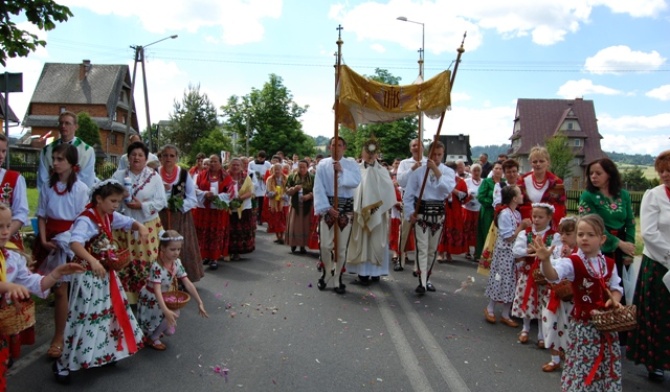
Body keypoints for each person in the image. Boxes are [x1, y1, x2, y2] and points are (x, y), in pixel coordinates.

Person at [55, 179, 150, 384]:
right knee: (83, 318)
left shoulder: (107, 215)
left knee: (107, 315)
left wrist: (140, 226)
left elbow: (125, 222)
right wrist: (92, 260)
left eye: (118, 201)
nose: (116, 205)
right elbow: (75, 243)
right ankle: (63, 362)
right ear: (99, 199)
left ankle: (103, 353)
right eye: (113, 201)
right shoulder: (87, 219)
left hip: (104, 275)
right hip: (88, 275)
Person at [0, 203, 86, 390]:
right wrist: (7, 286)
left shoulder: (12, 258)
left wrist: (56, 274)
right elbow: (8, 285)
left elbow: (34, 283)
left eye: (8, 225)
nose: (6, 232)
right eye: (0, 226)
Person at [534, 214, 623, 392]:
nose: (584, 238)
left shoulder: (609, 264)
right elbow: (553, 275)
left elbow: (616, 287)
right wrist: (545, 261)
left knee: (606, 366)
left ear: (602, 239)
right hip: (584, 328)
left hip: (606, 327)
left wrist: (614, 301)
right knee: (583, 368)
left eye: (591, 235)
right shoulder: (573, 262)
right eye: (581, 234)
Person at [33, 144, 88, 360]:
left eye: (60, 159)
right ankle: (59, 334)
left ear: (71, 163)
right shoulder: (47, 186)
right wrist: (45, 239)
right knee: (55, 289)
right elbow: (41, 215)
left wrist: (69, 241)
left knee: (63, 290)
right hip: (51, 242)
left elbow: (82, 220)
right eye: (53, 159)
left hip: (69, 242)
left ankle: (60, 336)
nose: (55, 163)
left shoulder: (80, 189)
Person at [578, 157, 635, 345]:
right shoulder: (588, 196)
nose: (593, 177)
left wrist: (628, 248)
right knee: (599, 289)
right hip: (599, 248)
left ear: (609, 174)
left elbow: (630, 222)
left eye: (598, 173)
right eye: (591, 173)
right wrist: (618, 243)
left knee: (618, 289)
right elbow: (591, 225)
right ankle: (597, 330)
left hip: (620, 249)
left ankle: (617, 329)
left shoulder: (623, 195)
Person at [626, 150, 670, 382]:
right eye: (661, 171)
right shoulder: (653, 195)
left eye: (669, 171)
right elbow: (650, 233)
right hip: (658, 264)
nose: (665, 175)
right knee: (658, 316)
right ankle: (655, 363)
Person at [112, 141, 167, 304]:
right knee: (125, 260)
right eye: (133, 154)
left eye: (140, 155)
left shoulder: (154, 177)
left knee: (148, 259)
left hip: (147, 225)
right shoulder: (118, 176)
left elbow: (161, 201)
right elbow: (109, 196)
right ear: (128, 157)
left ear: (145, 158)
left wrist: (141, 205)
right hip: (125, 225)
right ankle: (127, 297)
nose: (136, 157)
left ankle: (149, 294)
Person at [137, 230, 208, 351]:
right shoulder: (157, 266)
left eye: (178, 249)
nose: (176, 253)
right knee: (165, 317)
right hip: (152, 297)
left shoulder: (177, 263)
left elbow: (187, 282)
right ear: (163, 248)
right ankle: (153, 338)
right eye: (172, 249)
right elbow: (157, 290)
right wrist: (165, 310)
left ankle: (156, 332)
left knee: (170, 328)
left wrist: (199, 302)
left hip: (164, 295)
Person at [403, 141, 455, 294]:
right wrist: (409, 213)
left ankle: (428, 277)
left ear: (443, 154)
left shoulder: (447, 172)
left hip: (438, 214)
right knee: (422, 248)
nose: (437, 158)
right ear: (429, 154)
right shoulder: (419, 172)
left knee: (432, 250)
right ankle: (422, 281)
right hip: (422, 213)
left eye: (440, 155)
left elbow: (447, 189)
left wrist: (436, 171)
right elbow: (409, 194)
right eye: (434, 154)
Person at [313, 136, 361, 294]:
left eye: (339, 145)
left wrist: (341, 171)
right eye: (333, 145)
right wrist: (326, 207)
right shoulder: (323, 164)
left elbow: (355, 182)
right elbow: (318, 187)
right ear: (329, 147)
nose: (336, 148)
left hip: (344, 211)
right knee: (325, 245)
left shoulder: (351, 164)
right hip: (328, 209)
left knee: (341, 248)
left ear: (344, 148)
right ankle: (327, 271)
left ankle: (337, 277)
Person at [346, 140, 396, 284]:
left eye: (372, 153)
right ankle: (362, 273)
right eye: (366, 152)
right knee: (362, 242)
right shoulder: (357, 169)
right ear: (362, 153)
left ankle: (375, 273)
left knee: (375, 242)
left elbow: (388, 190)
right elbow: (353, 187)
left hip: (378, 213)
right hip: (360, 211)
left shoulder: (382, 170)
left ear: (376, 154)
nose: (369, 155)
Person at [484, 185, 530, 325]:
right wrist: (521, 227)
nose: (522, 196)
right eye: (519, 194)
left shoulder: (516, 213)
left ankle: (505, 313)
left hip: (513, 253)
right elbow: (508, 236)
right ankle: (490, 308)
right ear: (514, 198)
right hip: (504, 253)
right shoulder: (505, 213)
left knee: (512, 282)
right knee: (499, 279)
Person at [511, 203, 556, 346]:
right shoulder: (526, 233)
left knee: (543, 303)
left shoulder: (554, 236)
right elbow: (516, 251)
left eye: (540, 217)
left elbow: (557, 253)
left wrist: (547, 254)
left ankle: (541, 334)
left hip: (544, 276)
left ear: (549, 217)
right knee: (527, 300)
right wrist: (528, 251)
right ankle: (525, 328)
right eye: (534, 216)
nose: (536, 220)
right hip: (528, 273)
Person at [157, 144, 203, 282]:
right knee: (161, 245)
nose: (168, 158)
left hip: (181, 217)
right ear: (160, 157)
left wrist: (178, 205)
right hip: (159, 216)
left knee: (182, 246)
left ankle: (182, 279)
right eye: (165, 155)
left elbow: (192, 198)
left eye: (172, 155)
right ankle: (160, 278)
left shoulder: (183, 174)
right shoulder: (154, 173)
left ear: (177, 157)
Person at [541, 216, 578, 373]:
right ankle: (554, 358)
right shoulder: (555, 249)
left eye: (568, 234)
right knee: (551, 325)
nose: (563, 237)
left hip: (571, 300)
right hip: (554, 296)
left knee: (569, 329)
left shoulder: (579, 253)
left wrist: (569, 256)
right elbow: (550, 269)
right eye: (562, 233)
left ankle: (570, 359)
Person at [37, 111, 96, 189]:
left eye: (67, 123)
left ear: (76, 127)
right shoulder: (47, 150)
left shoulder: (87, 151)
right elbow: (43, 177)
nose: (63, 126)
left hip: (77, 194)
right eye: (61, 123)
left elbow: (87, 178)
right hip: (52, 193)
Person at [194, 154, 232, 269]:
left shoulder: (226, 176)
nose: (213, 164)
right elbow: (194, 189)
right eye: (211, 161)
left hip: (218, 211)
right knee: (204, 233)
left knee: (215, 233)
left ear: (220, 163)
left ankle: (214, 257)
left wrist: (217, 197)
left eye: (215, 161)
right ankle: (205, 256)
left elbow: (231, 192)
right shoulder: (201, 175)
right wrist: (205, 194)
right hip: (204, 210)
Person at [394, 139, 426, 271]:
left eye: (418, 145)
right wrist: (412, 169)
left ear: (423, 148)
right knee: (404, 231)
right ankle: (400, 259)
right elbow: (401, 181)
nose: (416, 147)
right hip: (409, 200)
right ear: (410, 148)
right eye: (413, 145)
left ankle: (419, 265)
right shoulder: (404, 163)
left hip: (423, 200)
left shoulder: (428, 162)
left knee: (422, 233)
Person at [517, 146, 566, 229]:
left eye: (541, 161)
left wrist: (546, 218)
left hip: (549, 226)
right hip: (527, 224)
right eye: (535, 161)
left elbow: (560, 206)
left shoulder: (556, 182)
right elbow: (517, 204)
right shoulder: (522, 181)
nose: (538, 164)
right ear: (530, 163)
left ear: (548, 162)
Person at [0, 133, 29, 251]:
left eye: (3, 151)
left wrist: (4, 235)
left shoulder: (14, 178)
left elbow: (21, 213)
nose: (1, 156)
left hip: (8, 242)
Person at [474, 161, 504, 266]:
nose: (498, 171)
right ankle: (484, 256)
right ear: (493, 170)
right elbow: (480, 196)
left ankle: (497, 257)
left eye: (500, 169)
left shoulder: (504, 182)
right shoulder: (487, 182)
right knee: (486, 233)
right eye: (496, 168)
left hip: (501, 212)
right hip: (488, 211)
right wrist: (492, 204)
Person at [438, 162, 468, 262]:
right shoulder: (440, 179)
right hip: (443, 208)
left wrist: (453, 190)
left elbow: (464, 196)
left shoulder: (460, 181)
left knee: (451, 230)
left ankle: (449, 253)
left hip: (455, 210)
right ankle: (440, 253)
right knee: (442, 230)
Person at [227, 158, 255, 261]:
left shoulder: (245, 177)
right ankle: (228, 251)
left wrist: (239, 199)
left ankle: (237, 252)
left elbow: (250, 191)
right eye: (233, 165)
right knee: (230, 231)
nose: (235, 167)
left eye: (237, 165)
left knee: (241, 231)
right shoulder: (225, 176)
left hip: (244, 207)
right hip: (228, 207)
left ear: (241, 167)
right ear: (229, 166)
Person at [285, 160, 315, 253]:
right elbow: (286, 190)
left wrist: (309, 195)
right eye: (300, 167)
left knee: (305, 226)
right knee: (294, 225)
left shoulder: (312, 177)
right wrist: (294, 189)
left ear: (307, 167)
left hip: (307, 205)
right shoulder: (292, 177)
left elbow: (317, 190)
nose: (301, 169)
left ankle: (303, 245)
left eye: (304, 167)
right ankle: (293, 243)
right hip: (295, 205)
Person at [463, 163, 482, 259]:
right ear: (471, 171)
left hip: (478, 210)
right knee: (467, 229)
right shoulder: (466, 181)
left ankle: (476, 252)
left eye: (478, 170)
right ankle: (467, 251)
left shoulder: (483, 182)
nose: (476, 172)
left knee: (477, 231)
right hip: (467, 209)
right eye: (474, 170)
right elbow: (463, 193)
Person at [266, 163, 288, 244]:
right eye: (275, 169)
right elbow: (267, 192)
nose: (277, 171)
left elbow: (289, 191)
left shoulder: (286, 178)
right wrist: (273, 194)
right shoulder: (269, 179)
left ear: (281, 170)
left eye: (278, 169)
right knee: (275, 220)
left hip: (284, 203)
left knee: (283, 220)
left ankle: (282, 236)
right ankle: (278, 236)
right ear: (272, 170)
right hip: (273, 203)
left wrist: (284, 196)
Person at [248, 151, 272, 225]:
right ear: (257, 157)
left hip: (263, 185)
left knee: (262, 203)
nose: (261, 159)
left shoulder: (267, 164)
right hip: (254, 184)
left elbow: (270, 172)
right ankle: (252, 217)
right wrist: (255, 175)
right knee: (253, 202)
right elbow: (249, 172)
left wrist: (264, 177)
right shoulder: (251, 163)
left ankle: (260, 219)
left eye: (263, 158)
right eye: (260, 157)